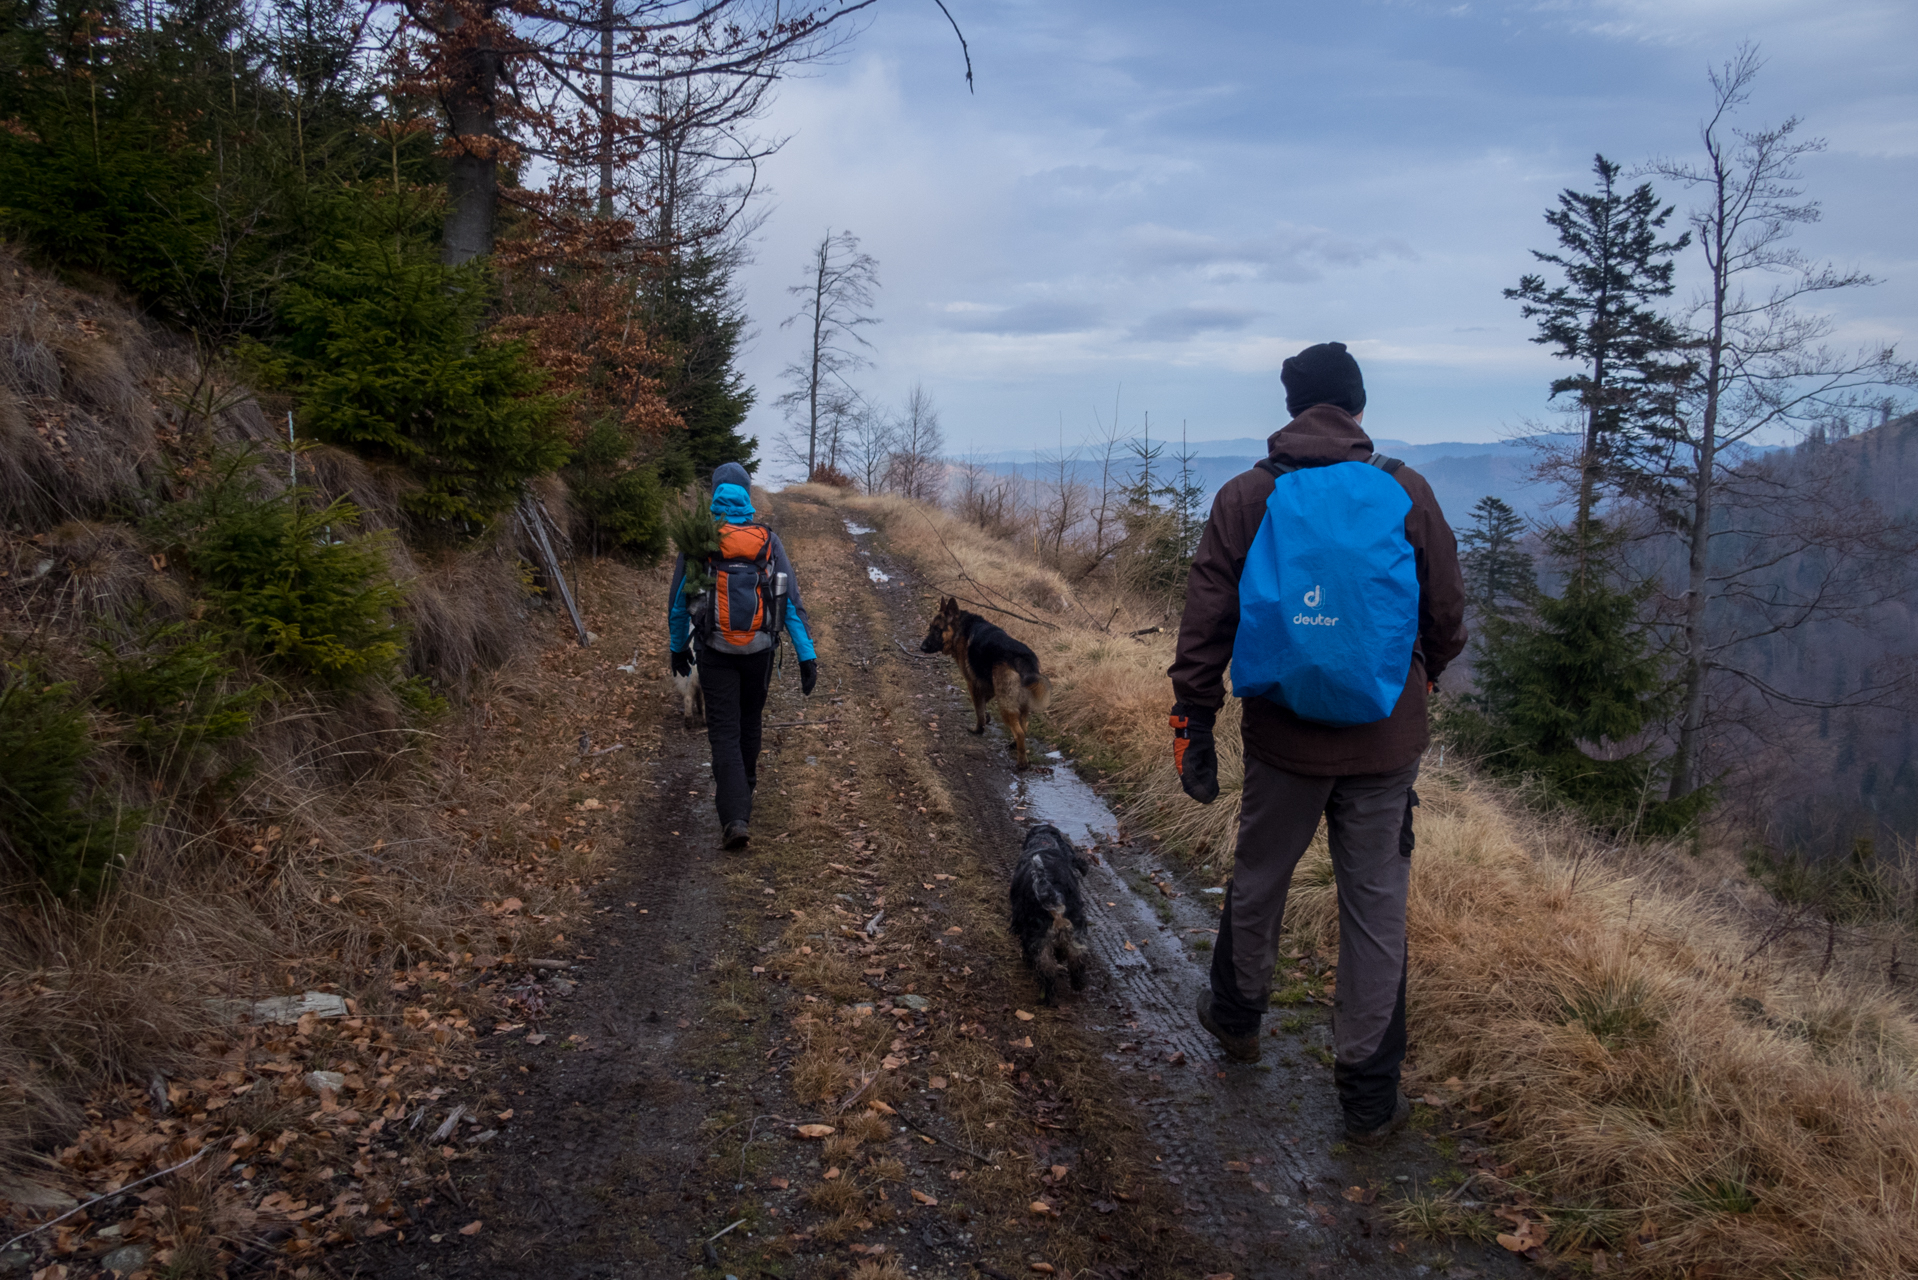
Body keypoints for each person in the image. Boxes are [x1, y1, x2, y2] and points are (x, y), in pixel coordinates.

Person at [1168, 342, 1466, 1145]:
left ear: (1293, 408)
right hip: (1383, 744)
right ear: (1359, 407)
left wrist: (1193, 724)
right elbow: (1446, 615)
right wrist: (1419, 678)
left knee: (1261, 873)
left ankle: (1236, 1020)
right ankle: (1368, 1096)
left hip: (1282, 740)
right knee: (1374, 906)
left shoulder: (1248, 495)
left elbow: (1205, 627)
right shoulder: (1405, 491)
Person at [668, 462, 818, 850]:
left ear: (715, 493)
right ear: (747, 495)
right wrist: (807, 657)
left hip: (714, 652)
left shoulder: (701, 539)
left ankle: (735, 815)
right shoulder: (767, 541)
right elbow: (792, 605)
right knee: (750, 721)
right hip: (759, 651)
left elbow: (679, 605)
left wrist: (677, 649)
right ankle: (744, 791)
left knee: (723, 732)